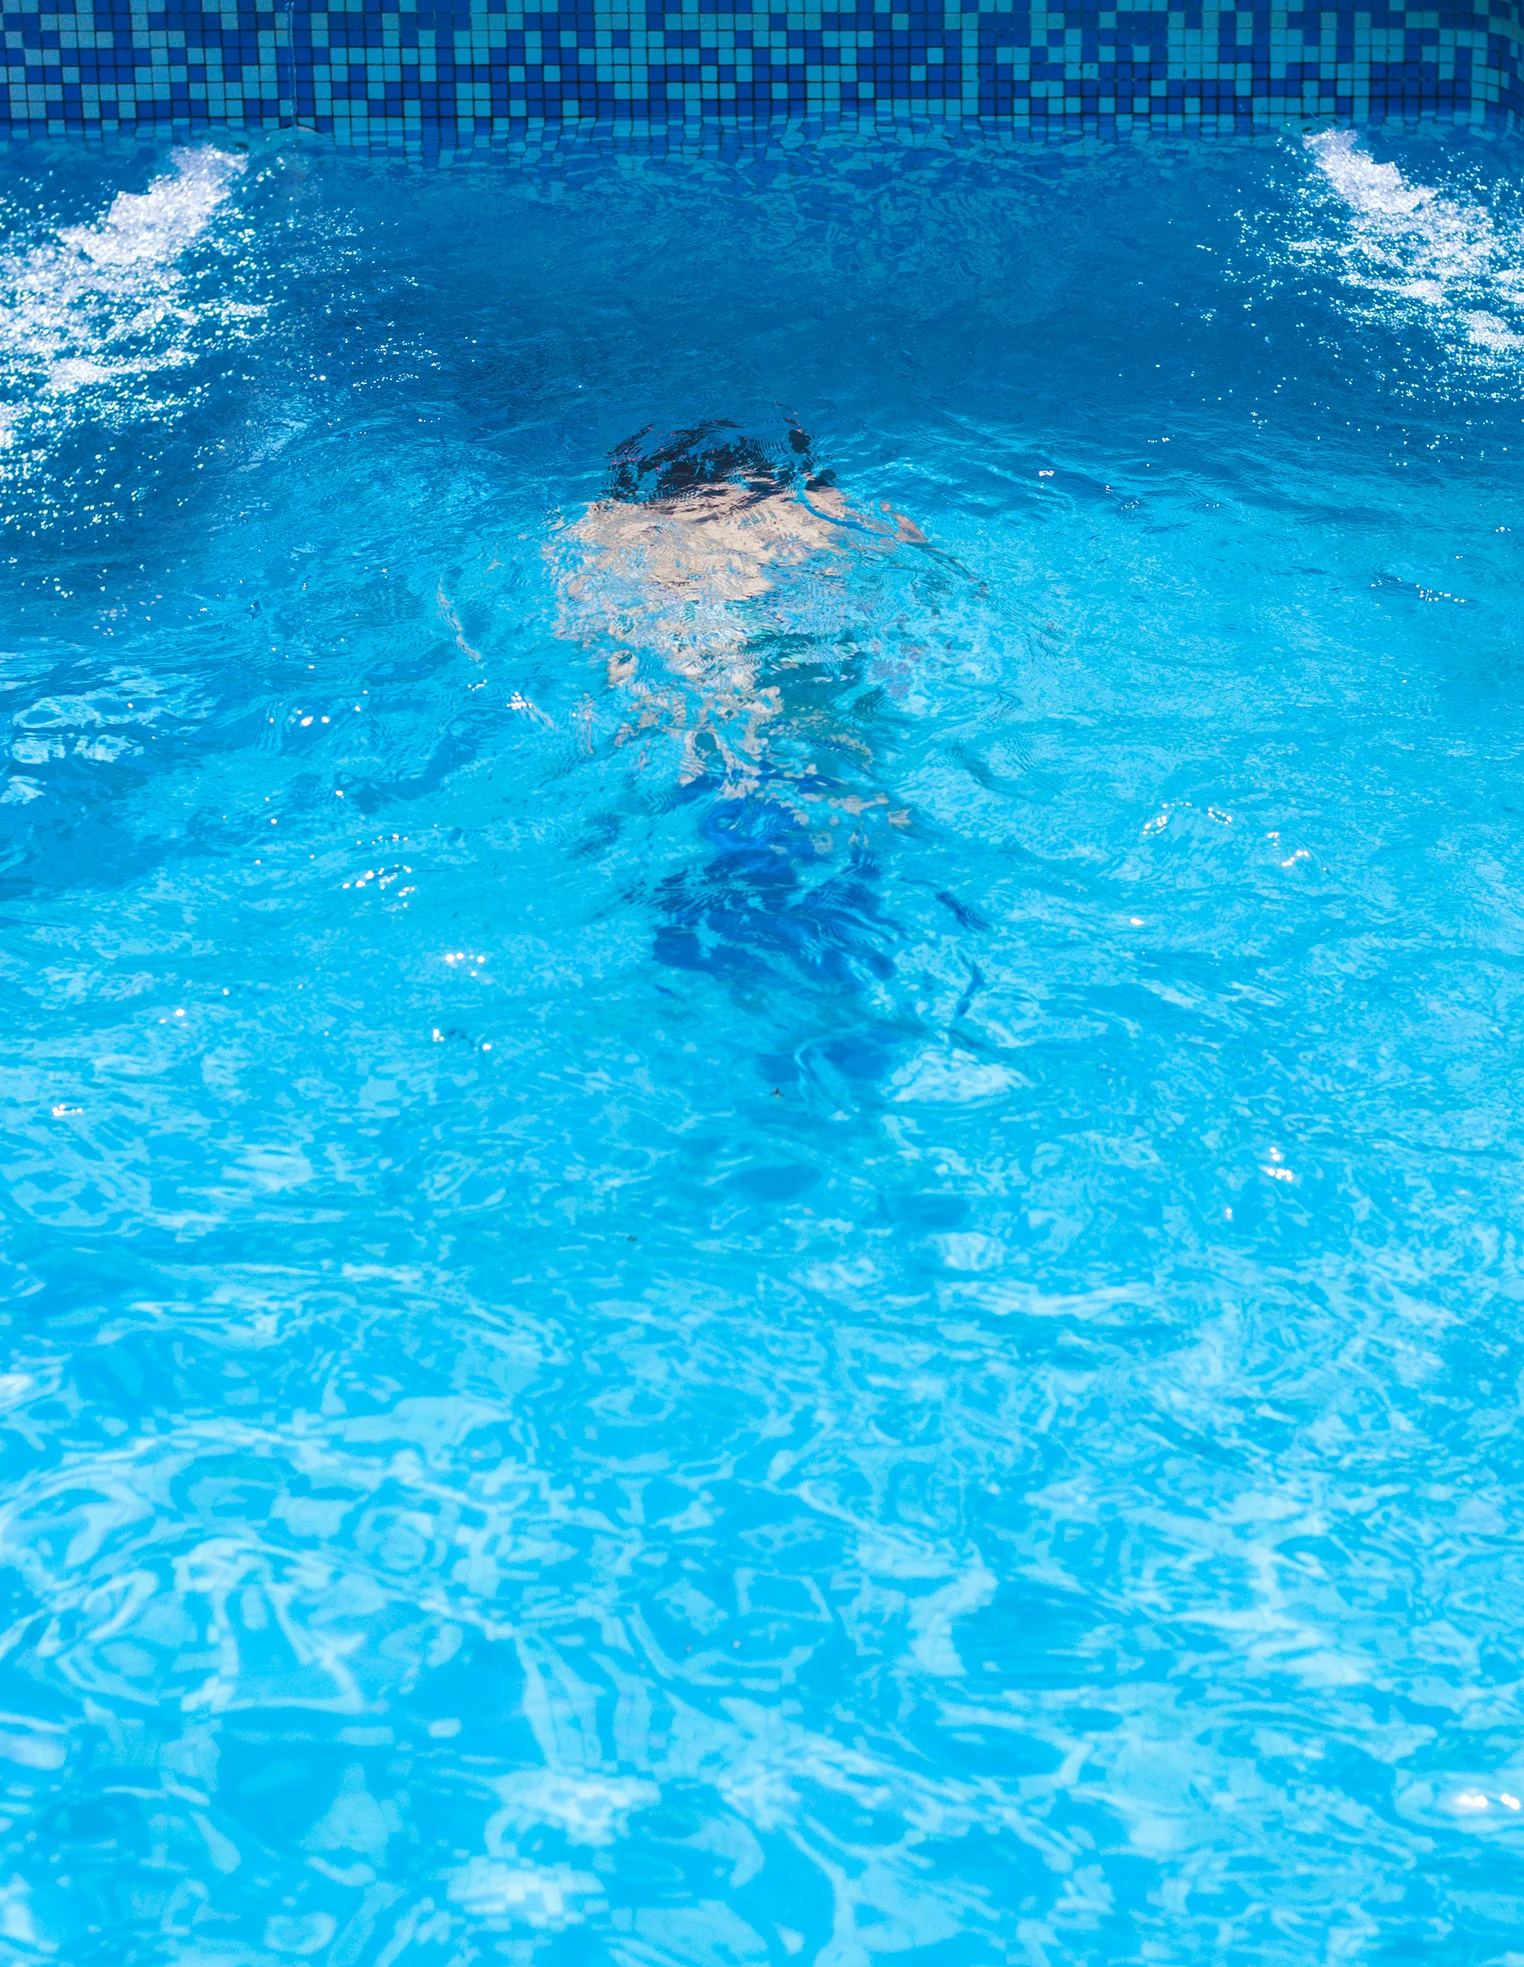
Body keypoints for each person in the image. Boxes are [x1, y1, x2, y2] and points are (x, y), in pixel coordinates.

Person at [552, 420, 927, 989]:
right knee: (832, 772)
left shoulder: (601, 528)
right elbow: (926, 588)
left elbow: (582, 630)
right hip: (805, 665)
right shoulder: (829, 507)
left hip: (694, 663)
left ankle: (712, 955)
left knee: (709, 762)